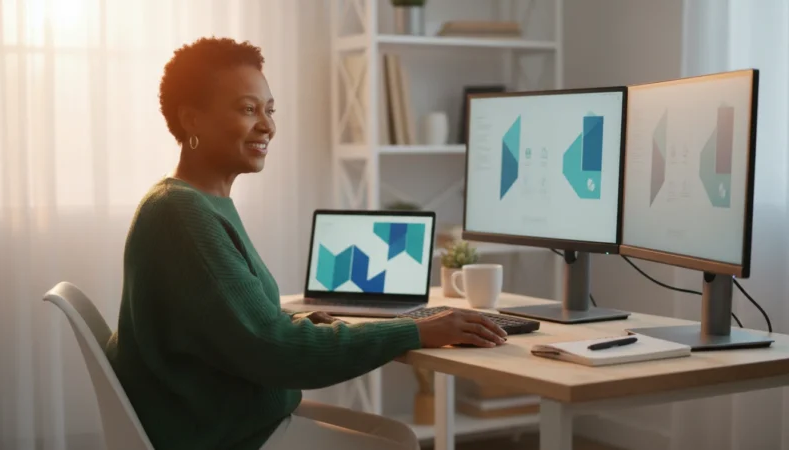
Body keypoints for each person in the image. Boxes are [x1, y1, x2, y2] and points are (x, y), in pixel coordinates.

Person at [105, 37, 507, 450]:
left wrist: (302, 324)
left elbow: (239, 329)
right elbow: (274, 353)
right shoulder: (181, 214)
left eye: (270, 110)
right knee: (396, 444)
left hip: (229, 414)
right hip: (221, 433)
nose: (268, 125)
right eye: (248, 109)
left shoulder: (198, 203)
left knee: (398, 435)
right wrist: (415, 331)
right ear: (192, 120)